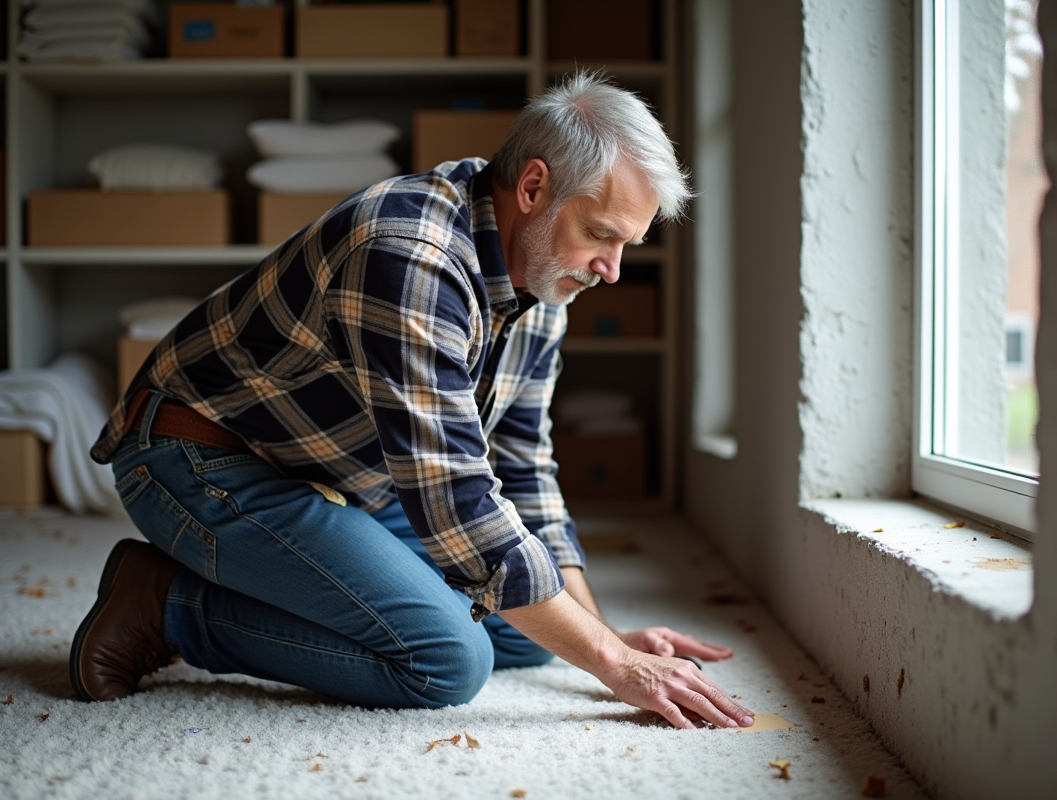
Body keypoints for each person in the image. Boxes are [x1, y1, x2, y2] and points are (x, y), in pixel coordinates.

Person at [70, 72, 755, 731]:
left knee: (532, 638)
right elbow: (455, 500)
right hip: (196, 457)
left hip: (335, 477)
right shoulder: (411, 255)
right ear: (535, 186)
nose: (612, 269)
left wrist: (606, 639)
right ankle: (167, 604)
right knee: (449, 660)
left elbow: (522, 470)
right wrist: (615, 665)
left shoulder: (545, 281)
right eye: (602, 234)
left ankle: (262, 579)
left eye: (626, 245)